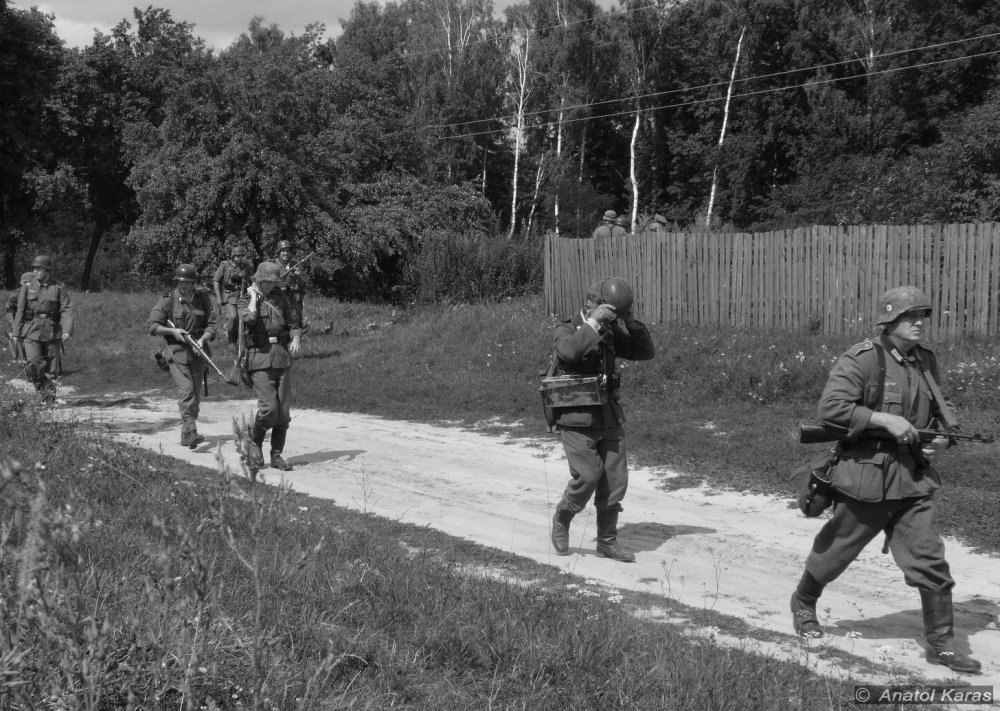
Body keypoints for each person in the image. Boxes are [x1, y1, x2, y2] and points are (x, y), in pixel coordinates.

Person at [790, 285, 982, 675]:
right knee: (837, 551)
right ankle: (804, 602)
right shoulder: (864, 358)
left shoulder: (925, 360)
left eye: (922, 316)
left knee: (929, 559)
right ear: (890, 319)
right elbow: (831, 408)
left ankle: (941, 644)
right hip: (867, 475)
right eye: (910, 316)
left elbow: (942, 409)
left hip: (913, 478)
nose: (919, 323)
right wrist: (882, 419)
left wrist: (942, 439)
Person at [549, 277, 655, 562]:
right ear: (590, 304)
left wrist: (630, 323)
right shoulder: (567, 328)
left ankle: (607, 541)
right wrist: (594, 323)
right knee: (587, 477)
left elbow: (645, 353)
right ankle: (563, 516)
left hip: (608, 415)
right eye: (603, 308)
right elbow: (569, 351)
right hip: (576, 417)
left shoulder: (610, 332)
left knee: (615, 481)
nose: (609, 315)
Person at [237, 261, 302, 471]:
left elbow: (292, 324)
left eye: (274, 282)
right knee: (269, 410)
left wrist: (296, 338)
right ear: (259, 280)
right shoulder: (244, 300)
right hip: (259, 358)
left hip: (281, 357)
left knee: (283, 413)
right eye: (268, 282)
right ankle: (254, 442)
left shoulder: (280, 298)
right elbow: (249, 319)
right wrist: (253, 298)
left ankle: (276, 456)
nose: (272, 285)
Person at [146, 264, 217, 449]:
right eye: (180, 281)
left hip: (198, 352)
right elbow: (152, 326)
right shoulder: (168, 300)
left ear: (194, 282)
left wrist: (203, 339)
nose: (182, 285)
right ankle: (191, 431)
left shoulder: (203, 299)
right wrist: (173, 331)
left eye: (186, 282)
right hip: (176, 352)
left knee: (196, 397)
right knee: (187, 391)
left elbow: (212, 325)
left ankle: (186, 435)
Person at [13, 256, 74, 404]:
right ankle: (41, 394)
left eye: (38, 268)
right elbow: (20, 310)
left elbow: (67, 309)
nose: (35, 271)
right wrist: (16, 333)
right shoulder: (27, 286)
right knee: (33, 363)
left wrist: (67, 329)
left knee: (51, 367)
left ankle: (49, 399)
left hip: (52, 330)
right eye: (34, 268)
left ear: (47, 270)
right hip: (31, 330)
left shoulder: (58, 287)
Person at [213, 244, 253, 345]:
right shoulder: (225, 266)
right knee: (233, 317)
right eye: (237, 256)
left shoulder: (246, 267)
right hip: (230, 296)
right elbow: (216, 280)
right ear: (233, 256)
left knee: (246, 318)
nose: (240, 258)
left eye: (241, 256)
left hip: (243, 296)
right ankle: (231, 338)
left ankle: (244, 340)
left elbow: (252, 279)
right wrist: (218, 298)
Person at [273, 240, 306, 326]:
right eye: (283, 251)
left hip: (291, 300)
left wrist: (298, 276)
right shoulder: (272, 265)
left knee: (294, 322)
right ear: (278, 252)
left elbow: (303, 285)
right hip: (276, 299)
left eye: (287, 251)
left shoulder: (294, 265)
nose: (286, 253)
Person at [5, 272, 33, 363]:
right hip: (18, 319)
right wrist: (13, 325)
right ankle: (18, 359)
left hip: (32, 322)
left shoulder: (38, 292)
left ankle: (27, 359)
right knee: (13, 336)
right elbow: (9, 310)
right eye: (26, 283)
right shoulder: (16, 294)